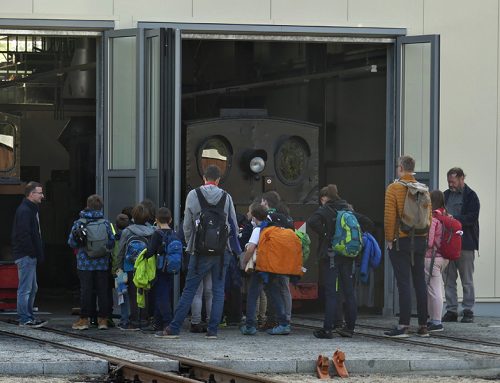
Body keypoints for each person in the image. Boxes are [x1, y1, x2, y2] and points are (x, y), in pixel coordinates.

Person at [158, 165, 238, 339]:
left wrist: (191, 244)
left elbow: (187, 225)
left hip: (199, 251)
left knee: (189, 290)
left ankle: (174, 328)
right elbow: (233, 225)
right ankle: (213, 331)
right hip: (221, 251)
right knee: (217, 291)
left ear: (204, 178)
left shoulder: (193, 195)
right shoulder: (226, 197)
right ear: (218, 180)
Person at [307, 184, 372, 339]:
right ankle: (349, 328)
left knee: (331, 293)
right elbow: (368, 222)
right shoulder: (348, 210)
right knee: (349, 292)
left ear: (324, 198)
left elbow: (311, 221)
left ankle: (328, 328)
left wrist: (327, 235)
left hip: (331, 256)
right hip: (348, 257)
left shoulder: (325, 210)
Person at [384, 155, 430, 338]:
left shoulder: (394, 188)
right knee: (420, 282)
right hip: (420, 240)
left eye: (397, 167)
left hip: (401, 240)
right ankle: (424, 325)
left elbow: (389, 216)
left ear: (401, 168)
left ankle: (403, 325)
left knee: (403, 283)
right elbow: (429, 217)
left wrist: (389, 238)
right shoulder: (423, 188)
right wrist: (424, 238)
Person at [240, 203, 291, 335]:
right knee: (274, 293)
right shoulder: (275, 227)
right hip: (273, 266)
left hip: (260, 268)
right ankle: (284, 323)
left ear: (255, 217)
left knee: (252, 295)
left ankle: (250, 326)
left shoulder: (258, 229)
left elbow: (251, 248)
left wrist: (244, 262)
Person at [68, 194, 115, 330]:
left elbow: (71, 242)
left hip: (84, 263)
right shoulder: (106, 223)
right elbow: (112, 241)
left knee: (86, 291)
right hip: (102, 263)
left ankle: (84, 320)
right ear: (101, 206)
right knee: (103, 291)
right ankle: (103, 320)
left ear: (87, 205)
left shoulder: (79, 223)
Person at [442, 167, 480, 323]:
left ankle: (468, 310)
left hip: (465, 244)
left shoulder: (471, 196)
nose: (451, 184)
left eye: (453, 181)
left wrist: (453, 218)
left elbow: (472, 217)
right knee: (448, 278)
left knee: (467, 279)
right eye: (449, 181)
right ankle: (451, 310)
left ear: (462, 178)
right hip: (448, 244)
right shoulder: (445, 195)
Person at [114, 204, 156, 330]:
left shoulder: (127, 231)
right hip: (146, 268)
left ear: (133, 217)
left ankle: (133, 321)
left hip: (129, 266)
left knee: (132, 294)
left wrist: (118, 267)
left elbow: (121, 250)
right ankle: (144, 319)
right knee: (145, 293)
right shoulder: (152, 231)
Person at [11, 181, 47, 327]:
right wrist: (32, 252)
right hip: (26, 255)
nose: (42, 196)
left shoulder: (30, 209)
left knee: (32, 287)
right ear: (31, 194)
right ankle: (24, 318)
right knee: (26, 288)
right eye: (40, 193)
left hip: (28, 255)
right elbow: (23, 234)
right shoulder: (26, 211)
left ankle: (28, 316)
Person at [143, 207, 177, 333]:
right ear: (171, 220)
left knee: (161, 296)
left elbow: (151, 251)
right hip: (170, 268)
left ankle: (168, 323)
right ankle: (158, 324)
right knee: (163, 294)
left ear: (156, 220)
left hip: (159, 268)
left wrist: (142, 256)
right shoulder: (173, 233)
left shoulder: (157, 234)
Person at [425, 190, 449, 332]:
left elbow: (429, 242)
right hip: (444, 258)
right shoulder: (446, 214)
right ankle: (433, 319)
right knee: (436, 287)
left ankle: (436, 321)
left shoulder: (433, 218)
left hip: (432, 257)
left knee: (434, 290)